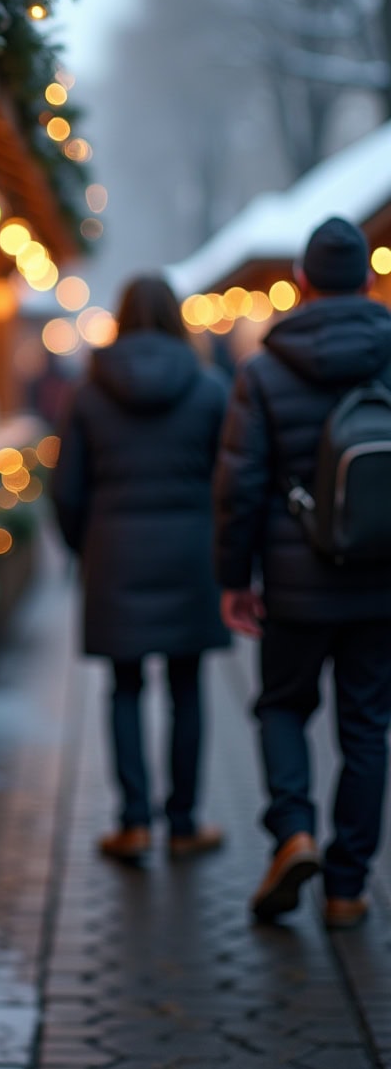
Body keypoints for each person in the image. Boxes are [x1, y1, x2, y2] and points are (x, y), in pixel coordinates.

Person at [214, 217, 391, 927]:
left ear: (300, 284)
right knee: (367, 727)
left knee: (283, 705)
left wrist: (234, 578)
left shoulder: (263, 370)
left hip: (294, 580)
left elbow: (240, 485)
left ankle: (293, 831)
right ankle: (347, 887)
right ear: (371, 281)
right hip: (381, 577)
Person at [52, 274, 230, 861]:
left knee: (124, 688)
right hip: (190, 554)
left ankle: (133, 823)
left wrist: (87, 548)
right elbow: (231, 482)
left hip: (115, 552)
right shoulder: (208, 389)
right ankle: (183, 824)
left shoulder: (89, 391)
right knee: (188, 689)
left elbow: (67, 490)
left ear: (120, 319)